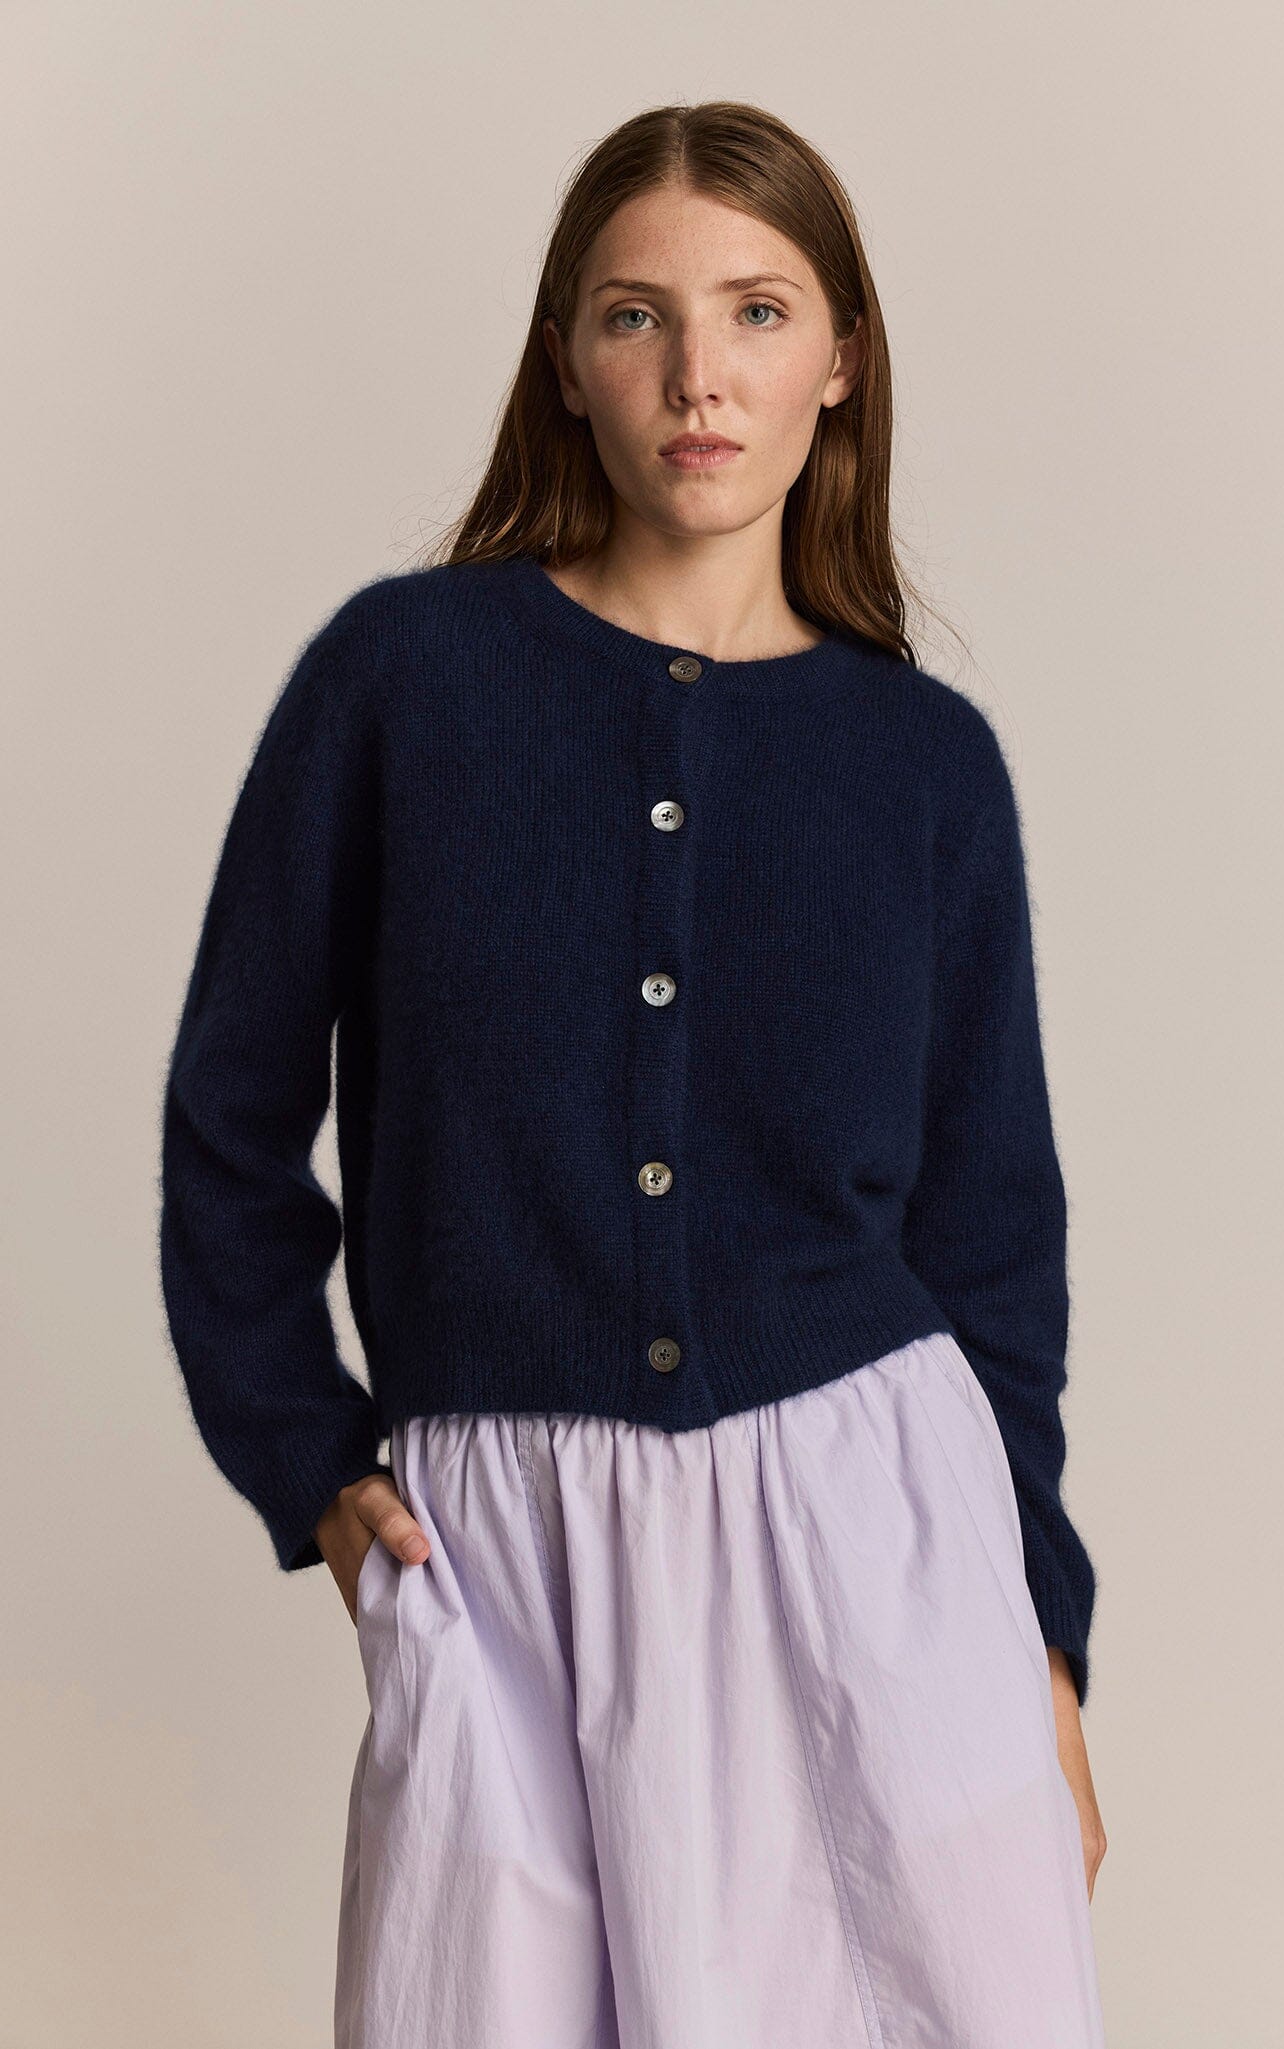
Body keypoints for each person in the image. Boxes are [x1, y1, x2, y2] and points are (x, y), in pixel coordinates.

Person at [159, 98, 1108, 2048]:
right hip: (505, 1543)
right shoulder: (400, 684)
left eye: (756, 311)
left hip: (878, 1536)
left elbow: (989, 1243)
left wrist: (1043, 1649)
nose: (697, 375)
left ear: (836, 360)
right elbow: (227, 1122)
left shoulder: (922, 765)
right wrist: (313, 1463)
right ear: (562, 361)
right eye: (632, 316)